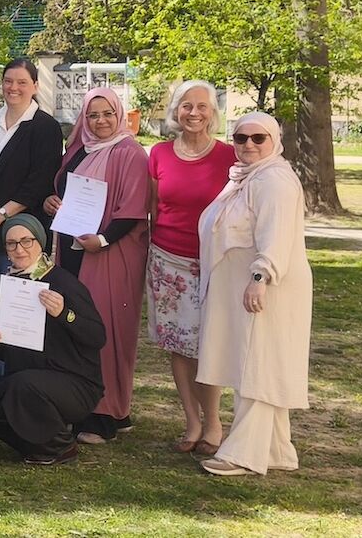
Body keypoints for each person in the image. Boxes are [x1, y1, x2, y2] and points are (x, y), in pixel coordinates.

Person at [196, 112, 312, 477]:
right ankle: (277, 449)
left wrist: (261, 276)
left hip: (266, 286)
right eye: (240, 138)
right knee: (258, 359)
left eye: (258, 138)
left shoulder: (274, 180)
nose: (248, 145)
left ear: (274, 140)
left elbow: (276, 234)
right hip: (244, 284)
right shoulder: (246, 178)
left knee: (258, 363)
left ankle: (244, 453)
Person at [41, 87, 150, 443]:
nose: (100, 121)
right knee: (74, 325)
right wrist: (52, 202)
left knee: (106, 328)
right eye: (92, 114)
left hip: (109, 253)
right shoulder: (78, 148)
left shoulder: (129, 153)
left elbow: (134, 209)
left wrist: (102, 240)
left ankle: (108, 413)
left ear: (119, 115)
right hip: (72, 250)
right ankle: (83, 403)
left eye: (107, 114)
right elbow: (63, 191)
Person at [0, 214, 105, 465]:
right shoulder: (10, 286)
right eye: (11, 243)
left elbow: (97, 336)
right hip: (30, 380)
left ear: (40, 242)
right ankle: (34, 443)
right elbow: (11, 353)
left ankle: (62, 446)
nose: (19, 249)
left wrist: (64, 314)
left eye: (26, 241)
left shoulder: (63, 282)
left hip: (75, 382)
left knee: (21, 387)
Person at [147, 80, 237, 456]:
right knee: (177, 346)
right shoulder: (159, 154)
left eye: (201, 106)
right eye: (186, 106)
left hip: (212, 264)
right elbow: (153, 208)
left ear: (213, 113)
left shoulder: (231, 156)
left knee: (207, 344)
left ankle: (214, 422)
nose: (194, 113)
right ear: (176, 111)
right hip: (167, 261)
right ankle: (191, 421)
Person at [0, 58, 62, 309]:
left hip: (22, 234)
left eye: (22, 82)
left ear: (35, 86)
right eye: (8, 81)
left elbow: (39, 183)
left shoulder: (46, 127)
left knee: (17, 308)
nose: (13, 87)